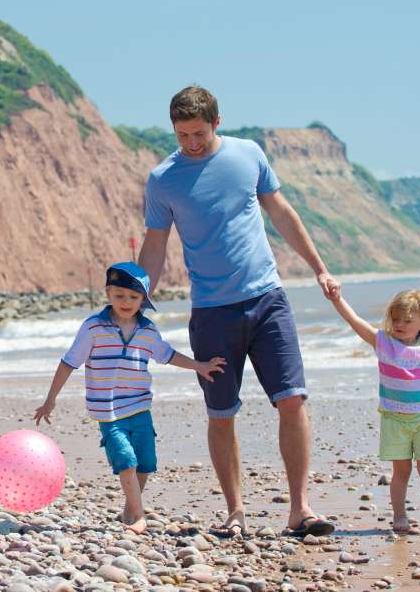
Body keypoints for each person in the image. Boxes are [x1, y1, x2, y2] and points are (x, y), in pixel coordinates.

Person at [138, 85, 341, 538]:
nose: (190, 142)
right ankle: (235, 511)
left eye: (198, 133)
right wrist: (136, 303)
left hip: (267, 299)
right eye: (181, 134)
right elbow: (155, 245)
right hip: (211, 311)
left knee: (292, 399)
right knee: (222, 412)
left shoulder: (248, 155)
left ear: (217, 122)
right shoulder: (163, 179)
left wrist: (320, 268)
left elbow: (282, 213)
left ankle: (300, 509)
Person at [34, 261, 226, 534]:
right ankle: (138, 516)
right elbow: (68, 363)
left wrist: (200, 365)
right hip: (108, 411)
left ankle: (128, 509)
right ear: (108, 294)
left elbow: (168, 355)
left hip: (139, 407)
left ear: (143, 300)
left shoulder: (148, 331)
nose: (126, 302)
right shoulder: (93, 328)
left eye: (134, 297)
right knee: (126, 459)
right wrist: (51, 399)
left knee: (146, 464)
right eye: (119, 295)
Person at [331, 288, 420, 533]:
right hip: (393, 418)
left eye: (407, 320)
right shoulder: (383, 342)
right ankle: (400, 517)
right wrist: (337, 299)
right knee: (401, 471)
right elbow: (353, 320)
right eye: (396, 318)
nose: (400, 324)